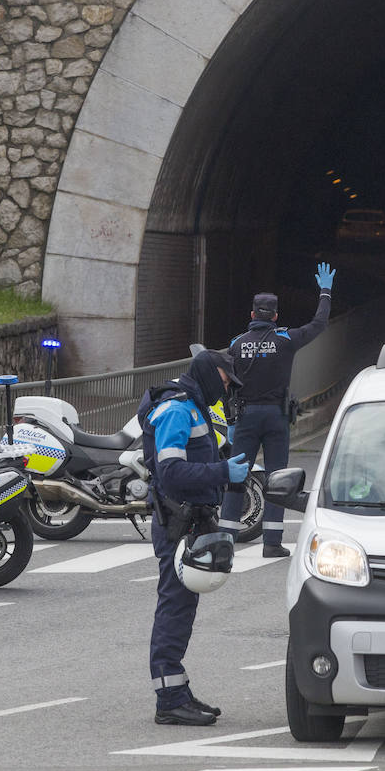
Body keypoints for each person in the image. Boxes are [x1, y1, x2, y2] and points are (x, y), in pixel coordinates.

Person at [137, 349, 249, 726]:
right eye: (225, 379)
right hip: (177, 524)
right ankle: (168, 700)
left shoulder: (196, 406)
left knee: (183, 608)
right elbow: (171, 473)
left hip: (191, 521)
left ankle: (177, 691)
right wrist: (222, 472)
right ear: (208, 372)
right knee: (175, 606)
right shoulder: (176, 410)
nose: (226, 387)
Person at [219, 261, 336, 557]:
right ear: (275, 316)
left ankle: (227, 539)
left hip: (244, 417)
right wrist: (325, 292)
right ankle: (271, 542)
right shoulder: (285, 339)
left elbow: (225, 381)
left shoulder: (236, 344)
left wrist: (230, 417)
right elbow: (319, 324)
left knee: (237, 475)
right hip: (275, 417)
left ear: (251, 315)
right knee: (277, 477)